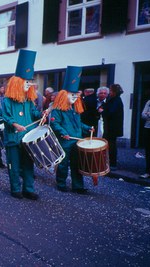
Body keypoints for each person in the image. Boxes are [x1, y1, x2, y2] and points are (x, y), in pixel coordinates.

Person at [2, 50, 43, 200]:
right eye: (26, 82)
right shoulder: (6, 101)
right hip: (13, 138)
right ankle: (15, 189)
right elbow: (5, 117)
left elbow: (34, 113)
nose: (29, 84)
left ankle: (28, 189)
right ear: (17, 83)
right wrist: (15, 124)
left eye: (29, 82)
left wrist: (43, 115)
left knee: (28, 165)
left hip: (28, 138)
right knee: (14, 165)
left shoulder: (29, 100)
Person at [50, 66, 93, 194]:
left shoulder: (75, 109)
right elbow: (55, 124)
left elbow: (79, 124)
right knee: (63, 164)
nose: (75, 97)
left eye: (76, 95)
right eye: (72, 94)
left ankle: (78, 186)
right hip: (65, 141)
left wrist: (88, 128)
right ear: (64, 95)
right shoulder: (57, 110)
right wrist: (63, 133)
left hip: (77, 140)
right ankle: (61, 183)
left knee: (77, 163)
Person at [102, 84, 124, 171]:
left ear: (114, 92)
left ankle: (112, 163)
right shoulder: (113, 100)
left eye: (111, 91)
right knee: (110, 144)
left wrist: (102, 111)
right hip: (111, 126)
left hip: (112, 127)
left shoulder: (116, 100)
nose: (109, 92)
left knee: (111, 145)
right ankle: (109, 162)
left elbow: (110, 112)